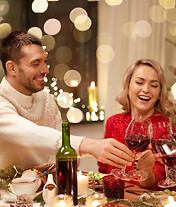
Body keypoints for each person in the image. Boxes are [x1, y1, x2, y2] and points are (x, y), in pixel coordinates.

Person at [0, 31, 131, 170]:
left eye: (45, 61)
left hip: (43, 188)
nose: (45, 70)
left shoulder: (45, 99)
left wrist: (63, 164)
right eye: (36, 63)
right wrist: (89, 146)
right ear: (12, 68)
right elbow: (29, 133)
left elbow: (63, 150)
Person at [98, 59, 176, 189]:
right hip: (117, 198)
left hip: (151, 202)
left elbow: (161, 182)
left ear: (159, 94)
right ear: (128, 87)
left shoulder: (164, 126)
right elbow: (103, 170)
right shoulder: (113, 122)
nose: (146, 89)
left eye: (154, 85)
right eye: (139, 82)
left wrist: (146, 171)